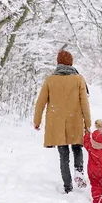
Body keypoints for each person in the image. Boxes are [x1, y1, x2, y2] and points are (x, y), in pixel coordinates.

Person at [34, 50, 91, 193]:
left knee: (63, 154)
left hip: (57, 123)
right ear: (71, 63)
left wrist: (37, 121)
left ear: (58, 63)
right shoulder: (78, 79)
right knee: (77, 148)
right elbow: (85, 103)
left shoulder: (50, 80)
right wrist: (88, 124)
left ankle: (68, 186)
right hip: (75, 120)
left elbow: (40, 103)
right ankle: (79, 172)